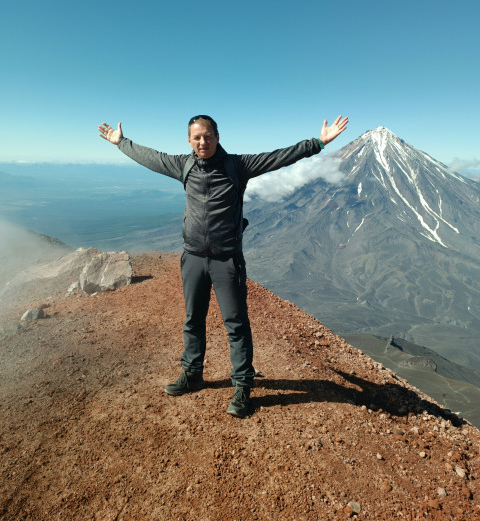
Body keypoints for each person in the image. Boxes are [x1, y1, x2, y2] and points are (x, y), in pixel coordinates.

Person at [98, 114, 348, 417]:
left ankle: (242, 386)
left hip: (226, 260)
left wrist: (318, 142)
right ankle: (192, 374)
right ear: (189, 141)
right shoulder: (184, 165)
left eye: (207, 136)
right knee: (193, 319)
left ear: (217, 137)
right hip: (192, 257)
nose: (202, 142)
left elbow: (278, 158)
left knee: (236, 324)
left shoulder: (237, 166)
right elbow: (151, 158)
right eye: (196, 138)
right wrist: (121, 143)